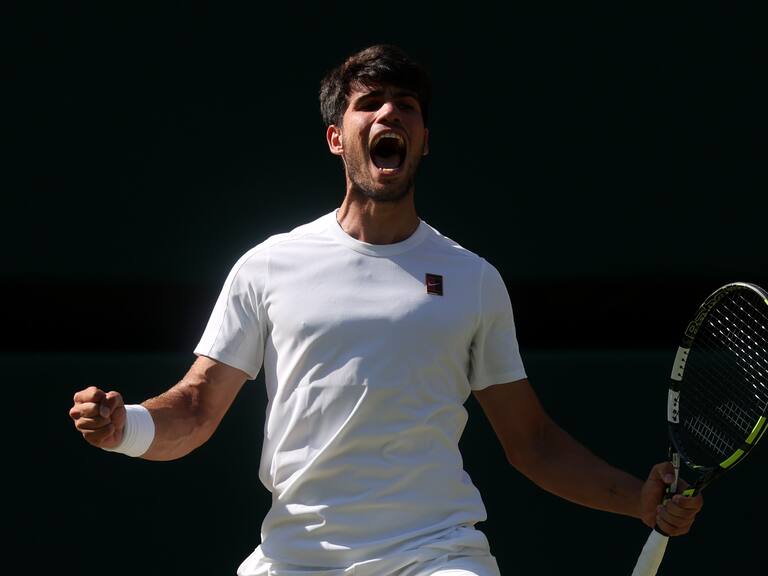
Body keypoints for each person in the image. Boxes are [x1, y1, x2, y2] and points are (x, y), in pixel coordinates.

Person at [69, 44, 702, 576]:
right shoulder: (268, 265)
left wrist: (638, 502)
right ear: (336, 137)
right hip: (296, 558)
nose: (388, 113)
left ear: (424, 140)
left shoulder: (473, 280)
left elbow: (532, 442)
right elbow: (198, 407)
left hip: (434, 555)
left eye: (406, 106)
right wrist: (128, 428)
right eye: (368, 103)